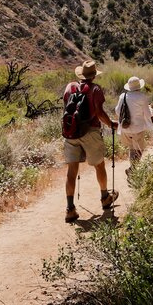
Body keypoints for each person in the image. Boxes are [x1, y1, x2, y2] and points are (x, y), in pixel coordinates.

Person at [62, 60, 119, 222]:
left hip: (71, 132)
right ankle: (105, 197)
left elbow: (66, 107)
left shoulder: (69, 87)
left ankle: (70, 208)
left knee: (71, 171)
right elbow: (99, 112)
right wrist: (111, 124)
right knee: (99, 164)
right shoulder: (95, 89)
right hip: (91, 132)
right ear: (94, 75)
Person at [115, 76, 153, 173]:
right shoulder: (142, 97)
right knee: (139, 149)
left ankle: (132, 168)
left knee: (132, 149)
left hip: (125, 127)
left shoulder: (123, 96)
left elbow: (117, 111)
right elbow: (148, 114)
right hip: (138, 128)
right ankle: (132, 169)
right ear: (139, 86)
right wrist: (151, 109)